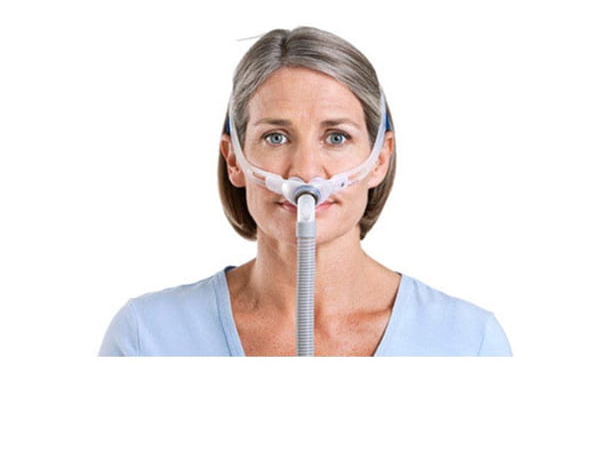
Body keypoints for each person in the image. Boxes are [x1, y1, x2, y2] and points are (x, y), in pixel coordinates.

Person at [99, 26, 512, 356]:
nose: (306, 171)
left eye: (336, 137)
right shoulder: (146, 337)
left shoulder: (468, 342)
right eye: (276, 137)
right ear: (234, 161)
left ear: (380, 159)